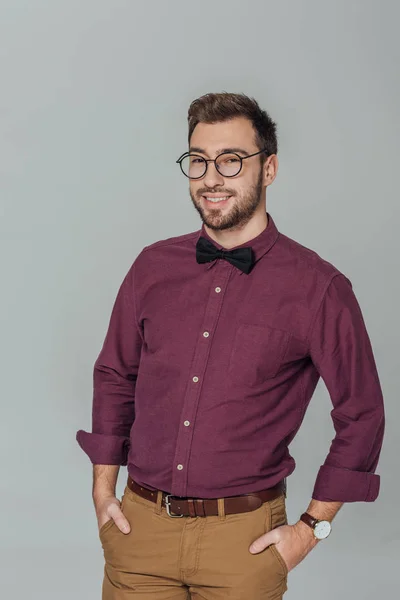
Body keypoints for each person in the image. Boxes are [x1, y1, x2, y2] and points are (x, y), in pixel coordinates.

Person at [76, 92, 385, 599]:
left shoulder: (319, 288)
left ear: (270, 169)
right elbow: (115, 374)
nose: (212, 177)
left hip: (245, 544)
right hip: (139, 534)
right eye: (198, 161)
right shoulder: (151, 268)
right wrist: (102, 489)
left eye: (231, 160)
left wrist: (312, 529)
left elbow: (363, 413)